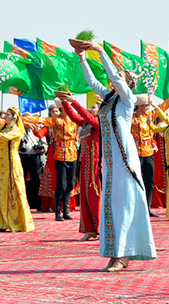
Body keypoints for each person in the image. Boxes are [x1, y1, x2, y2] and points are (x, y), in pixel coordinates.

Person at [77, 41, 156, 272]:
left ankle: (123, 254)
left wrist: (100, 52)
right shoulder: (110, 98)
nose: (114, 78)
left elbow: (117, 79)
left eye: (119, 76)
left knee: (124, 202)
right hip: (110, 159)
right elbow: (92, 82)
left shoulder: (127, 100)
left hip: (124, 156)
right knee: (112, 203)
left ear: (127, 83)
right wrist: (82, 58)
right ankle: (117, 253)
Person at [0, 107, 35, 232]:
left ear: (14, 117)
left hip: (12, 163)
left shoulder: (15, 130)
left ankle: (16, 222)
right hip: (3, 164)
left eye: (8, 114)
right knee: (0, 190)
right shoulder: (4, 127)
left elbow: (3, 137)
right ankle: (3, 222)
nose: (5, 116)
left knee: (14, 190)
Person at [24, 100, 79, 221]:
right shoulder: (54, 120)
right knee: (60, 184)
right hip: (59, 154)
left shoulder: (75, 119)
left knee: (70, 184)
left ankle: (66, 211)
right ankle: (58, 212)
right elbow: (38, 121)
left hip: (72, 154)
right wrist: (28, 122)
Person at [60, 93, 102, 240]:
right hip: (84, 166)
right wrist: (65, 103)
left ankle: (99, 229)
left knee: (94, 197)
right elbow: (74, 117)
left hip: (95, 166)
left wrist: (74, 102)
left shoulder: (99, 123)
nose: (90, 109)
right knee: (84, 197)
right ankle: (90, 229)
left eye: (94, 107)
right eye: (90, 107)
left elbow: (86, 115)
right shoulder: (86, 124)